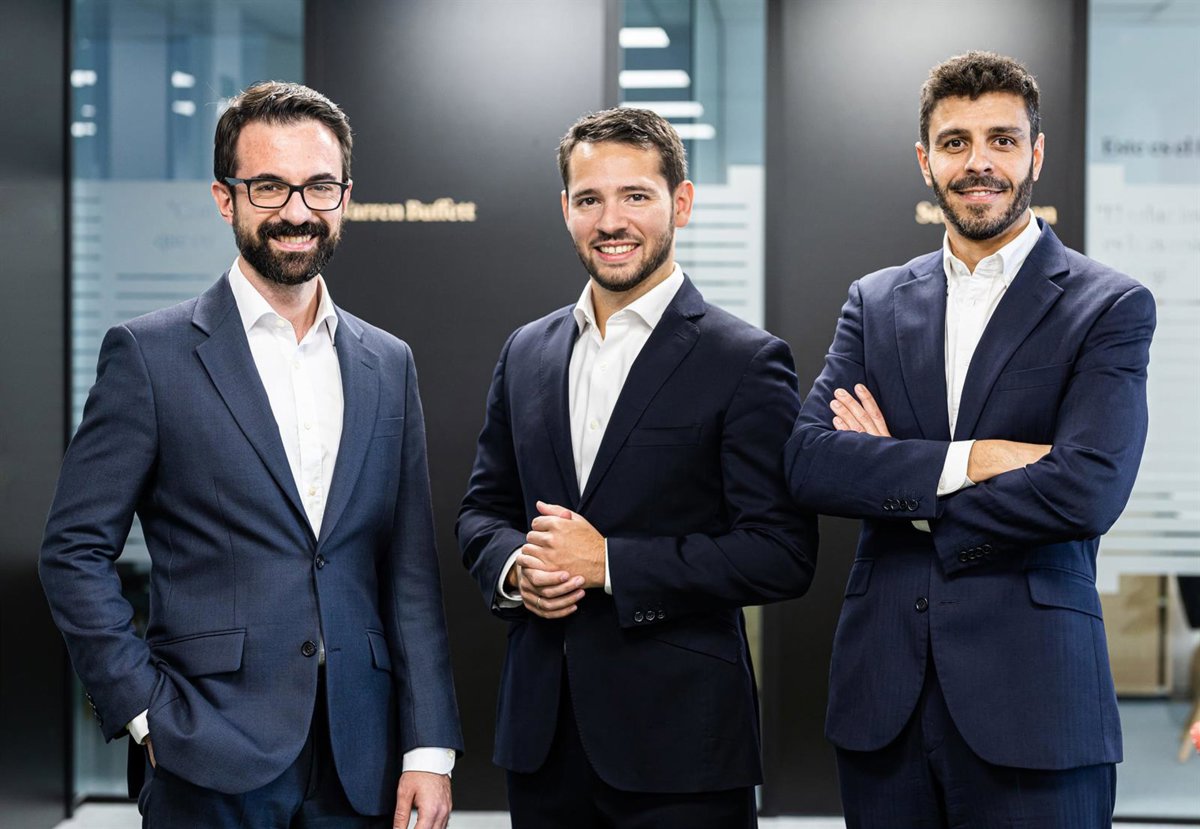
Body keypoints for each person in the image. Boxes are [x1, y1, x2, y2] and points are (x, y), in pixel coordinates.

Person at [39, 81, 461, 828]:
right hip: (203, 749)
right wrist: (143, 710)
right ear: (224, 198)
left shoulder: (387, 362)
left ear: (345, 197)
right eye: (269, 186)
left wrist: (428, 747)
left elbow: (410, 571)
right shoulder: (149, 355)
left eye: (319, 186)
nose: (297, 211)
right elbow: (73, 550)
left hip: (360, 756)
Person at [785, 52, 1155, 827]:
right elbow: (811, 462)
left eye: (1001, 140)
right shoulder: (875, 302)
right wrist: (976, 459)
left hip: (1036, 700)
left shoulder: (1109, 306)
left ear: (1035, 154)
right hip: (883, 699)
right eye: (955, 142)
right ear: (925, 160)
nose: (978, 162)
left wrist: (899, 484)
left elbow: (1086, 489)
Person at [458, 107, 817, 828]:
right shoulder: (525, 352)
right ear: (565, 209)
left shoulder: (745, 360)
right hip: (542, 741)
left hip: (682, 749)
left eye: (636, 196)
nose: (611, 221)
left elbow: (780, 553)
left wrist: (609, 564)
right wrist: (516, 568)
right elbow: (482, 512)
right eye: (590, 199)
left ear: (680, 203)